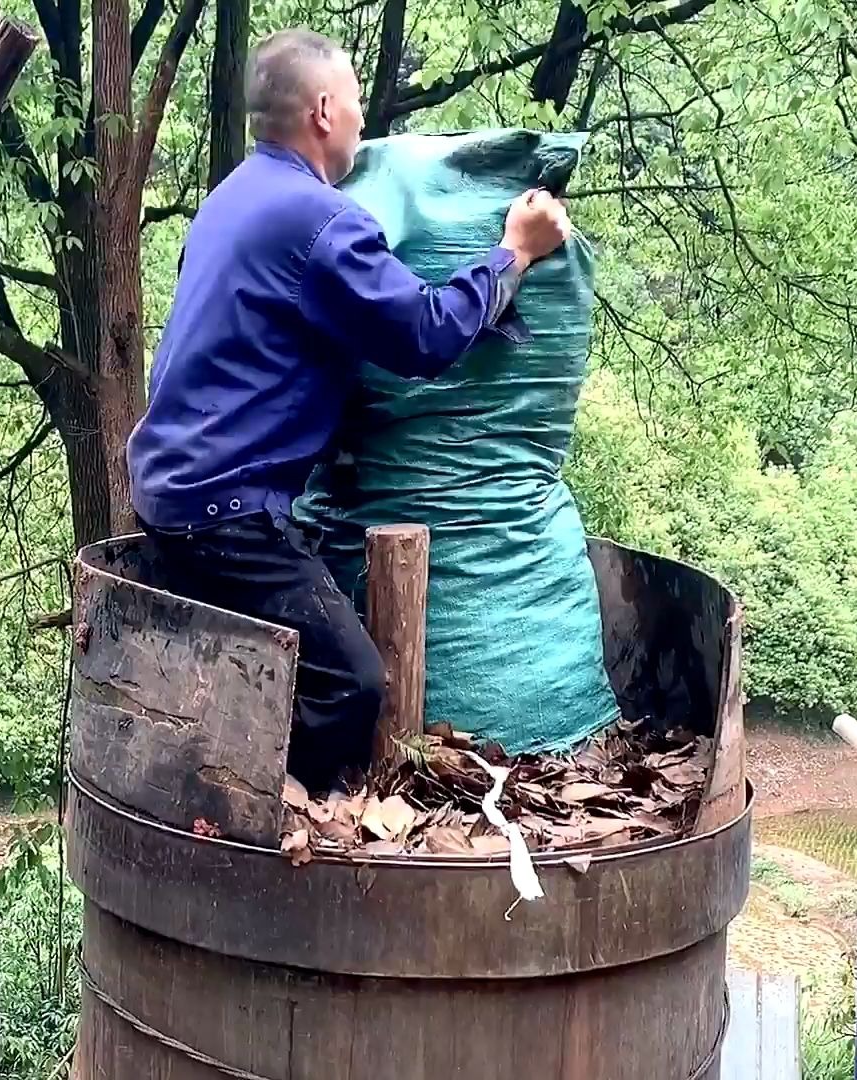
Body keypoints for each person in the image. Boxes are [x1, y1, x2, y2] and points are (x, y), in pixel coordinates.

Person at [126, 28, 572, 793]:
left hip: (169, 487)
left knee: (273, 660)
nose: (365, 121)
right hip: (223, 511)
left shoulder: (234, 198)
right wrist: (515, 253)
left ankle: (245, 780)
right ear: (325, 111)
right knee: (353, 683)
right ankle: (278, 817)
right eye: (359, 103)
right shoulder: (318, 221)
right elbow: (426, 336)